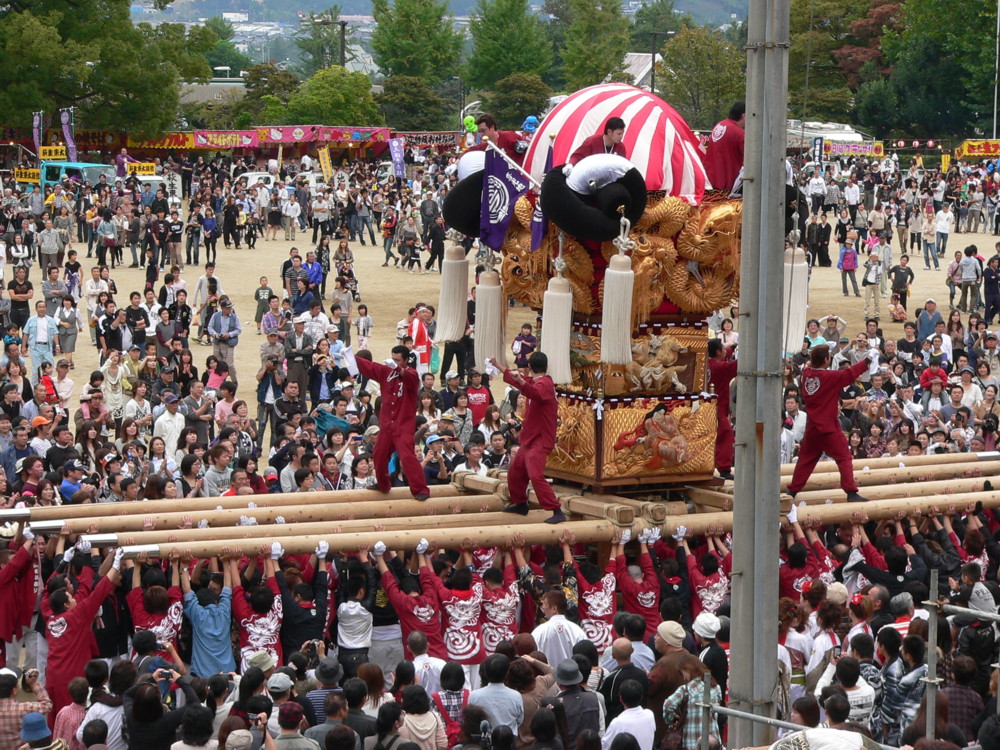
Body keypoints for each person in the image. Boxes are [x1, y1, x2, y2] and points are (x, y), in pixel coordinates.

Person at [787, 344, 875, 502]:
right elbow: (850, 373)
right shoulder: (830, 377)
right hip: (828, 428)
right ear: (826, 360)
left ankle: (793, 490)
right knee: (844, 457)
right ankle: (850, 492)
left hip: (812, 427)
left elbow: (809, 366)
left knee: (805, 461)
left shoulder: (806, 375)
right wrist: (868, 360)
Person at [486, 352, 562, 523]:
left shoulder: (545, 384)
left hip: (540, 440)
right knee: (515, 471)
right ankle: (520, 503)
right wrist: (497, 364)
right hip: (530, 439)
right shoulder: (537, 382)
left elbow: (536, 393)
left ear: (529, 367)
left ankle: (556, 509)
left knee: (535, 476)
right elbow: (518, 379)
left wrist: (521, 382)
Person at [354, 346, 430, 500]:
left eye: (398, 360)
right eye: (393, 359)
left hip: (403, 426)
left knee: (407, 456)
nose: (394, 363)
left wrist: (398, 369)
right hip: (387, 425)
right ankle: (383, 484)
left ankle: (420, 489)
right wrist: (347, 354)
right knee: (378, 454)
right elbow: (368, 366)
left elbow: (410, 378)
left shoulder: (412, 375)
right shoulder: (386, 372)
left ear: (406, 360)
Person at [706, 339, 737, 480]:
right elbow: (740, 364)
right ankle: (724, 468)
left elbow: (727, 352)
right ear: (718, 351)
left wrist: (732, 347)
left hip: (705, 408)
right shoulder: (721, 368)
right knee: (726, 436)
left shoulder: (706, 365)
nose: (726, 350)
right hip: (716, 410)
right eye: (723, 348)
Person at [702, 100, 745, 193]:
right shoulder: (739, 133)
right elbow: (750, 161)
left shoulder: (720, 125)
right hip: (727, 184)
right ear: (743, 115)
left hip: (710, 179)